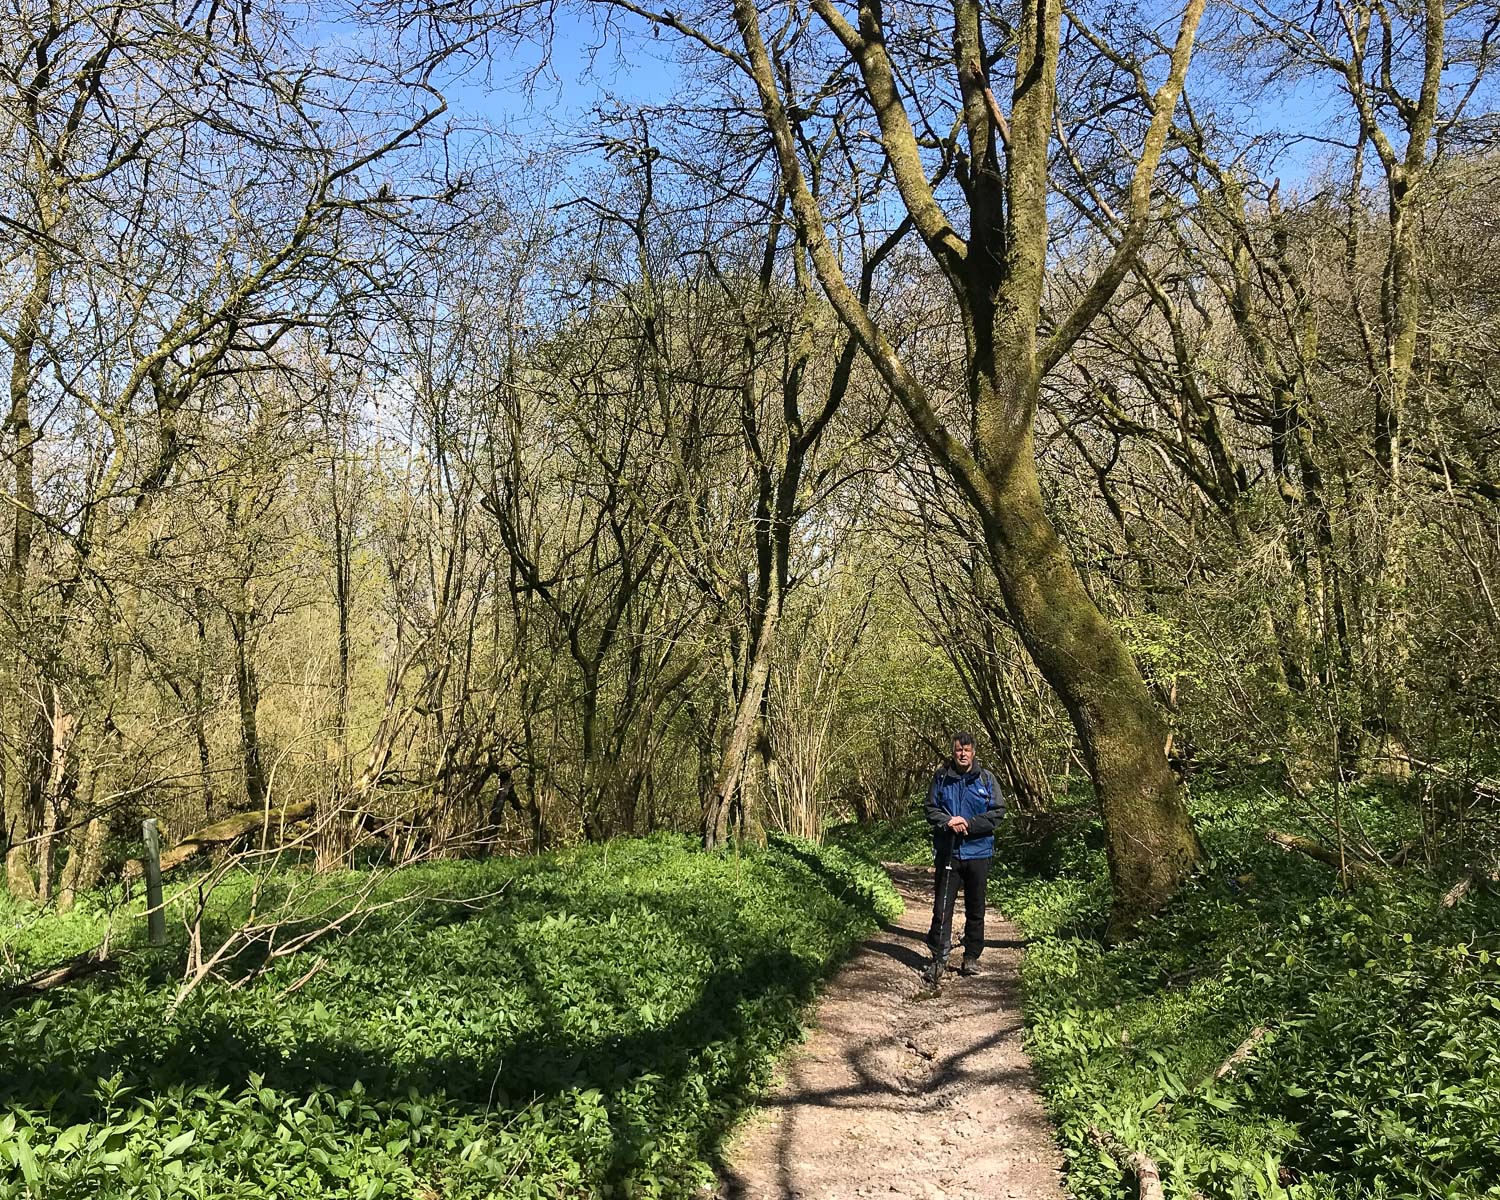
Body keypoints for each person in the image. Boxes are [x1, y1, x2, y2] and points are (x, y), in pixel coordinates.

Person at [922, 732, 1004, 983]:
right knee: (942, 908)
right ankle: (939, 959)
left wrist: (970, 824)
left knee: (976, 907)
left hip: (979, 852)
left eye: (966, 750)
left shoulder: (987, 779)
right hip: (949, 852)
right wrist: (949, 821)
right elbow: (930, 809)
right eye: (958, 750)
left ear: (974, 752)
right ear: (953, 751)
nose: (962, 754)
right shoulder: (941, 777)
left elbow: (998, 812)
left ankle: (971, 957)